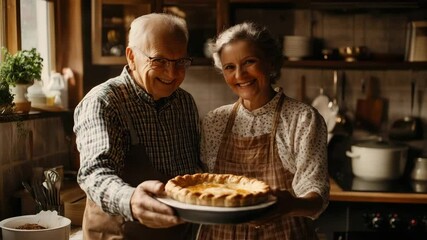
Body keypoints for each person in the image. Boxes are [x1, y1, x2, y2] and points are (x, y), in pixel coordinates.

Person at [73, 13, 202, 240]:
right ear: (132, 57)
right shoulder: (104, 101)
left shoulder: (185, 102)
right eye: (159, 60)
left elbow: (193, 172)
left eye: (180, 61)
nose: (172, 74)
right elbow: (94, 173)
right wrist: (131, 200)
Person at [198, 22, 330, 239]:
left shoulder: (302, 118)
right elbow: (205, 187)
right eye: (229, 67)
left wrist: (288, 206)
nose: (240, 75)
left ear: (270, 63)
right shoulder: (214, 121)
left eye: (249, 62)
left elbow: (316, 198)